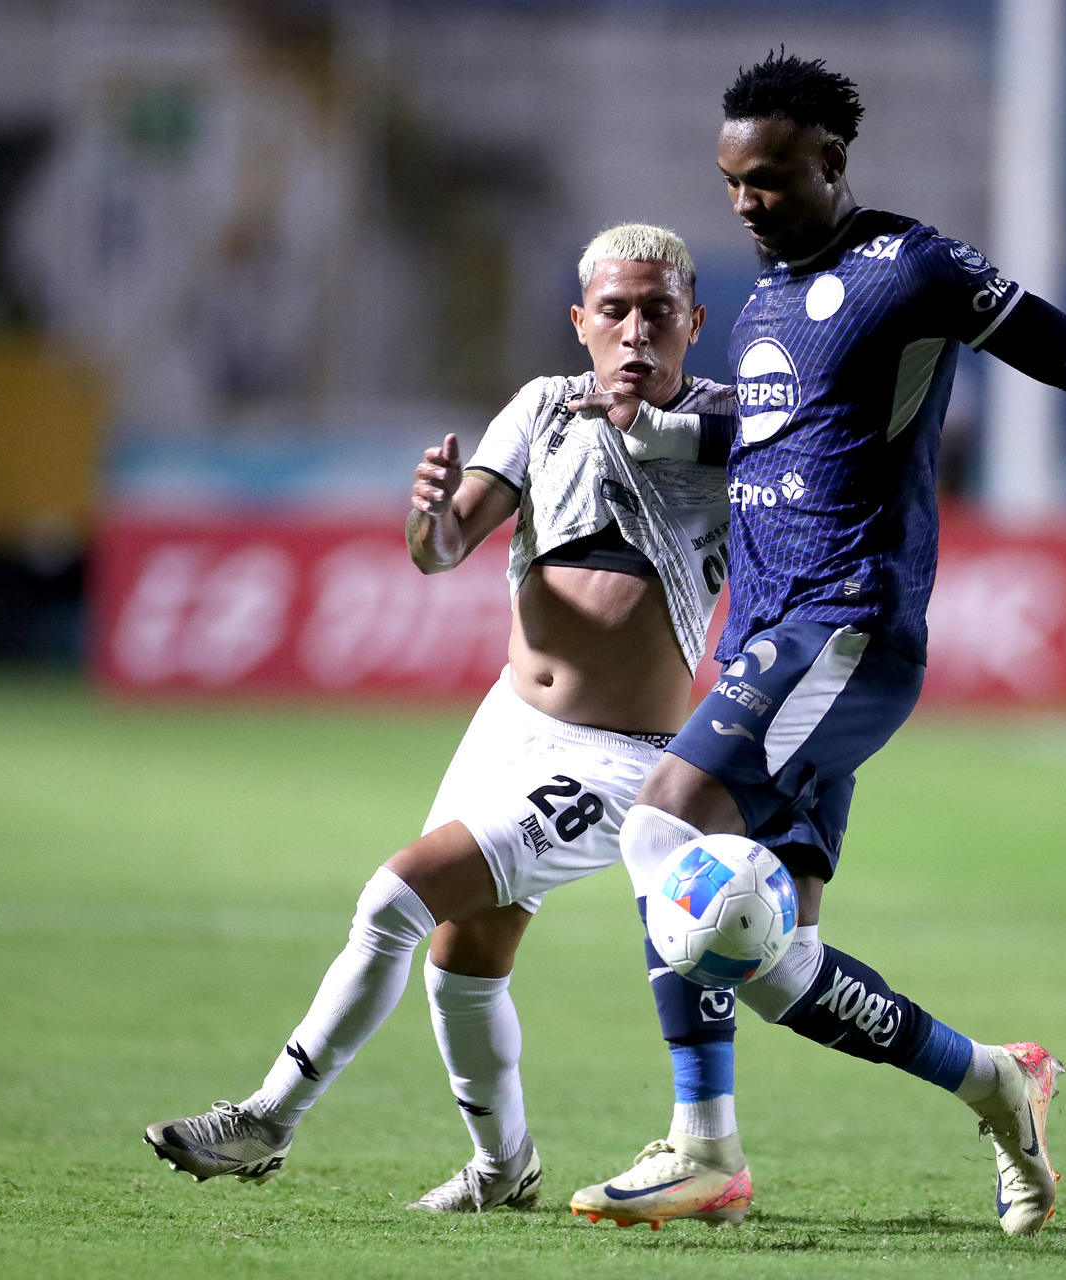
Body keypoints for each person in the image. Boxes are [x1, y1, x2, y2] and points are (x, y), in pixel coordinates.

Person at [566, 53, 1066, 1236]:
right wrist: (650, 432)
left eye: (770, 177)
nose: (746, 201)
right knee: (777, 962)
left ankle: (705, 1149)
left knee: (663, 813)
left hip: (846, 629)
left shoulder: (909, 270)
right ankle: (1000, 1081)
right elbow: (768, 450)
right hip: (768, 645)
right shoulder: (754, 306)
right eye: (732, 181)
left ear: (833, 160)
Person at [144, 223, 737, 1212]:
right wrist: (428, 516)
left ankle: (267, 1116)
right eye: (617, 311)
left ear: (694, 321)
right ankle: (505, 1168)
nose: (637, 332)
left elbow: (789, 449)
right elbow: (446, 541)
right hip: (508, 723)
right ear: (581, 320)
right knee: (465, 958)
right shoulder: (543, 409)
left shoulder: (728, 427)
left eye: (658, 311)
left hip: (620, 759)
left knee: (395, 895)